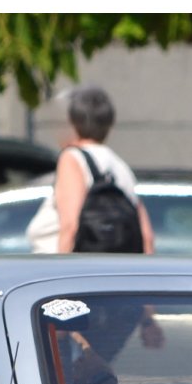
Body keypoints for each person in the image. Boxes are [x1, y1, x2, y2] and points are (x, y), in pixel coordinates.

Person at [26, 85, 155, 257]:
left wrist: (58, 275)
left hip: (68, 274)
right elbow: (147, 237)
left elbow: (70, 227)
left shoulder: (72, 158)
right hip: (110, 273)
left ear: (72, 123)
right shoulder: (120, 166)